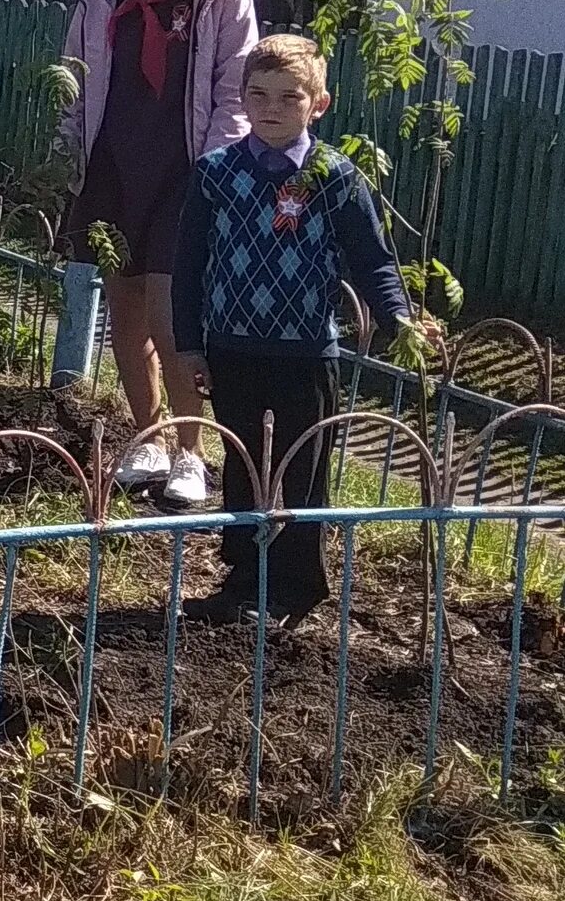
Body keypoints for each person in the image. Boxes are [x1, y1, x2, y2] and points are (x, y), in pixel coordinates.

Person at [172, 35, 422, 624]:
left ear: (319, 104)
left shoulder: (335, 176)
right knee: (243, 464)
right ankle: (244, 579)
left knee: (302, 470)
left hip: (307, 354)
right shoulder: (215, 173)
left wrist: (400, 320)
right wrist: (188, 345)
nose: (272, 108)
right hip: (232, 348)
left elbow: (374, 258)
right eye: (258, 94)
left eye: (289, 97)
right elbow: (189, 264)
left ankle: (299, 584)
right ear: (241, 96)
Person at [56, 0, 259, 511]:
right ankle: (145, 438)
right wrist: (67, 143)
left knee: (176, 318)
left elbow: (238, 85)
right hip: (115, 163)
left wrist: (221, 168)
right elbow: (76, 78)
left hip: (187, 169)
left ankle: (190, 452)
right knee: (126, 306)